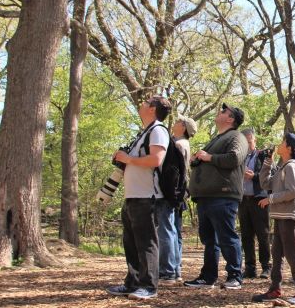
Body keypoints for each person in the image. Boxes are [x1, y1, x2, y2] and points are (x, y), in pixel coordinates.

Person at [106, 95, 172, 300]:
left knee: (146, 243)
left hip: (147, 196)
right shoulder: (144, 132)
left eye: (146, 102)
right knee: (131, 243)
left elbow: (156, 159)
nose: (141, 104)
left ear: (153, 109)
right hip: (133, 196)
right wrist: (123, 159)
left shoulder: (158, 130)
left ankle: (149, 287)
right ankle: (132, 283)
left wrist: (128, 158)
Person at [184, 103, 248, 290]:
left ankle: (235, 276)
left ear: (231, 119)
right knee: (209, 240)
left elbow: (234, 158)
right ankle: (208, 277)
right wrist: (197, 160)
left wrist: (208, 157)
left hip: (223, 195)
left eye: (223, 111)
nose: (219, 113)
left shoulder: (237, 136)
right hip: (205, 197)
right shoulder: (217, 139)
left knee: (227, 237)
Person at [252, 133, 295, 305]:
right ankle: (275, 289)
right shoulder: (283, 167)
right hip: (280, 215)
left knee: (293, 254)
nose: (279, 143)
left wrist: (269, 199)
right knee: (276, 254)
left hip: (290, 216)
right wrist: (267, 163)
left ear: (289, 148)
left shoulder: (292, 167)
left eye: (283, 141)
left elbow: (292, 192)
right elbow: (265, 184)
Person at [158, 114, 196, 285]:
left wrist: (171, 192)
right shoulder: (180, 143)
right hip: (177, 192)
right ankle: (175, 269)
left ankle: (168, 271)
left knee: (167, 229)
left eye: (179, 122)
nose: (175, 122)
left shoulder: (179, 144)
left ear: (184, 127)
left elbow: (174, 172)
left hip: (171, 192)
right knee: (173, 230)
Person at [238, 128, 271, 279]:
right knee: (246, 235)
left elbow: (272, 174)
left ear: (255, 141)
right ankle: (250, 268)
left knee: (262, 234)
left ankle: (266, 267)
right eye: (244, 142)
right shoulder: (240, 157)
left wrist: (254, 176)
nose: (247, 144)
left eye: (250, 141)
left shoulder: (263, 155)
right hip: (243, 200)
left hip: (259, 200)